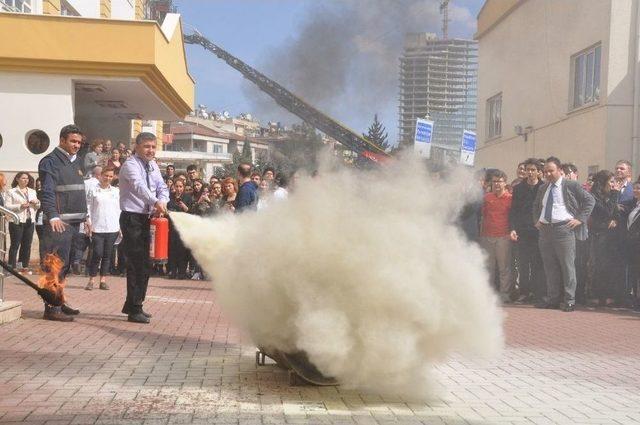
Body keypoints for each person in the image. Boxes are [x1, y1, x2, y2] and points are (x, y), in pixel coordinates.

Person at [38, 124, 89, 321]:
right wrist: (52, 216)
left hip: (74, 222)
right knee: (54, 265)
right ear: (62, 141)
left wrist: (87, 218)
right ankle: (51, 308)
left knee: (65, 265)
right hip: (57, 224)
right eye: (73, 141)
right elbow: (47, 192)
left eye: (79, 142)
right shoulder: (50, 161)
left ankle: (59, 301)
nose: (77, 145)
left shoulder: (75, 162)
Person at [118, 132, 169, 324]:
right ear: (137, 147)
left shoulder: (153, 165)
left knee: (146, 264)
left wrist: (162, 200)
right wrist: (156, 202)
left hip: (148, 218)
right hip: (132, 219)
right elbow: (140, 187)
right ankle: (135, 309)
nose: (151, 150)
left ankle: (134, 304)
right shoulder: (130, 165)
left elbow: (162, 187)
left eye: (154, 147)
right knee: (136, 263)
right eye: (147, 146)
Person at [533, 157, 595, 312]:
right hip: (545, 230)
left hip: (564, 230)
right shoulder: (543, 188)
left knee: (567, 266)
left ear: (560, 170)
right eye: (545, 171)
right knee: (550, 266)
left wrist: (580, 219)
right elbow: (536, 205)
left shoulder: (571, 185)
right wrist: (537, 220)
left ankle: (569, 300)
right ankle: (553, 299)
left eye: (551, 170)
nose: (547, 174)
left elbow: (590, 200)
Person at [509, 158, 544, 303]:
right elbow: (514, 211)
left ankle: (537, 292)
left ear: (538, 172)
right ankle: (524, 292)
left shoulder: (544, 187)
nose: (530, 173)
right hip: (522, 232)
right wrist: (513, 229)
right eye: (528, 170)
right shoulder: (518, 188)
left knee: (537, 263)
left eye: (533, 170)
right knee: (523, 264)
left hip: (539, 231)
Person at [586, 170, 620, 307]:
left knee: (610, 266)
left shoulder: (610, 195)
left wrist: (615, 220)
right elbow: (606, 211)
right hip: (598, 235)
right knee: (599, 266)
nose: (613, 185)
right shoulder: (592, 196)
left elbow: (614, 213)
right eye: (611, 182)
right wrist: (615, 194)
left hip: (611, 236)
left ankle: (609, 294)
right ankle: (598, 295)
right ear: (603, 182)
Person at [480, 169, 513, 303]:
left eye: (500, 182)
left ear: (505, 183)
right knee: (489, 267)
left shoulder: (510, 198)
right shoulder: (486, 198)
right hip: (487, 236)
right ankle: (489, 293)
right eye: (494, 182)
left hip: (503, 236)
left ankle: (504, 294)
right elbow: (482, 216)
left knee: (504, 267)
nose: (497, 184)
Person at [85, 167, 120, 291]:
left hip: (112, 227)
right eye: (106, 175)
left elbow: (119, 209)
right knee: (97, 253)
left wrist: (120, 226)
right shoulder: (94, 190)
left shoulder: (116, 191)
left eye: (111, 176)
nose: (108, 178)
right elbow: (88, 206)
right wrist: (88, 220)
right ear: (101, 175)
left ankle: (103, 280)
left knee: (107, 255)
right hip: (97, 227)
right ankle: (91, 279)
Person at [4, 172, 39, 273]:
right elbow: (7, 206)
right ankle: (11, 266)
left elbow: (37, 206)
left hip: (29, 220)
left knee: (27, 244)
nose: (26, 180)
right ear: (17, 179)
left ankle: (23, 266)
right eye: (23, 178)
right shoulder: (12, 192)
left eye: (27, 179)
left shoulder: (32, 191)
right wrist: (20, 206)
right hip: (17, 221)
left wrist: (37, 202)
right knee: (15, 244)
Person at [167, 180, 191, 280]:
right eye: (176, 186)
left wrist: (183, 206)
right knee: (172, 250)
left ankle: (182, 272)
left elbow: (190, 212)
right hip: (172, 227)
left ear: (183, 187)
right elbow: (166, 209)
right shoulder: (169, 197)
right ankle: (172, 271)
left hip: (183, 228)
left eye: (180, 186)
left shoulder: (187, 197)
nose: (178, 188)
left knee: (182, 250)